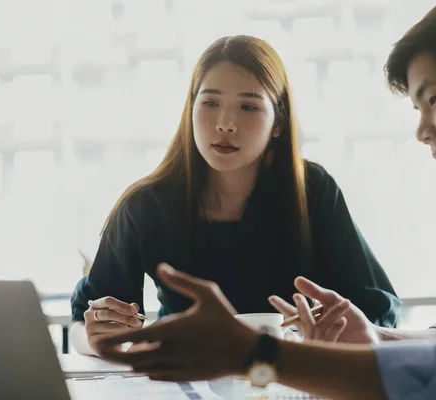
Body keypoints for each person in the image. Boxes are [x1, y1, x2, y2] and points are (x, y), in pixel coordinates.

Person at [95, 1, 436, 399]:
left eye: (433, 99)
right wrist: (380, 340)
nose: (421, 131)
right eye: (211, 102)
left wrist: (252, 356)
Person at [69, 35, 401, 356]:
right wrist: (98, 336)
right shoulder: (145, 206)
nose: (226, 123)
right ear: (190, 109)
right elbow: (85, 322)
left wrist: (339, 333)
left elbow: (376, 308)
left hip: (290, 374)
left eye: (248, 106)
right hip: (183, 379)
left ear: (278, 121)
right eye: (210, 103)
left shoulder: (311, 189)